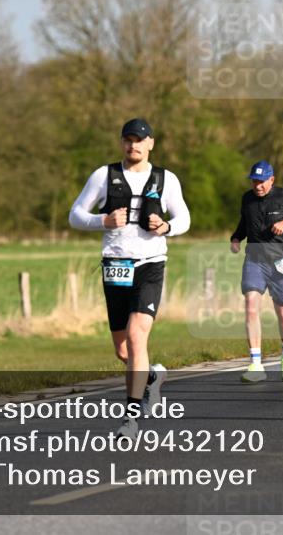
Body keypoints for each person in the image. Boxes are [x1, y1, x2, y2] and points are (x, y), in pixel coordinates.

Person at [69, 118, 191, 436]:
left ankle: (131, 419)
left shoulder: (166, 179)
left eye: (140, 140)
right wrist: (103, 221)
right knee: (123, 350)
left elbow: (184, 217)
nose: (133, 145)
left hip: (150, 264)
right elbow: (75, 214)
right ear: (121, 142)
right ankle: (152, 376)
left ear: (151, 143)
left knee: (138, 337)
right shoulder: (104, 176)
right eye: (128, 140)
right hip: (115, 266)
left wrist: (166, 227)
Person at [231, 161, 283, 383]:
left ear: (271, 180)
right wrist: (236, 238)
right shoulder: (246, 199)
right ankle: (256, 364)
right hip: (255, 260)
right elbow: (244, 222)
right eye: (254, 181)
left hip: (282, 262)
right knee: (250, 307)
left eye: (261, 181)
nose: (257, 186)